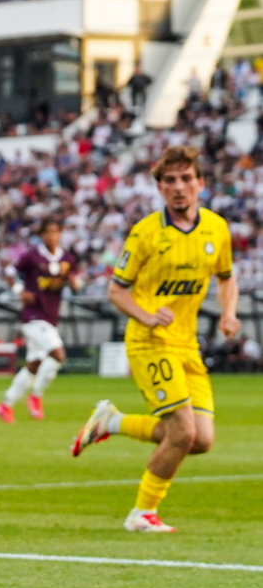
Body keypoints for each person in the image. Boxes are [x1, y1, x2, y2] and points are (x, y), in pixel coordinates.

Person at [70, 146, 240, 533]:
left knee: (201, 440)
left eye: (186, 179)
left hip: (187, 344)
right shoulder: (145, 233)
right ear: (160, 188)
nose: (179, 187)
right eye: (170, 181)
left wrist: (229, 313)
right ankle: (141, 514)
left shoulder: (216, 228)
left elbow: (227, 278)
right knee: (182, 432)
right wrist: (147, 316)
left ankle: (111, 422)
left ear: (200, 183)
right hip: (149, 342)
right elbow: (116, 290)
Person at [0, 218, 77, 423]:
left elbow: (74, 282)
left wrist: (76, 283)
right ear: (41, 235)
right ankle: (35, 396)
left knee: (34, 364)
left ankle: (5, 404)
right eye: (48, 232)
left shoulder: (67, 258)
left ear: (60, 234)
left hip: (50, 317)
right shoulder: (32, 257)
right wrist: (19, 290)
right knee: (58, 355)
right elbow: (9, 272)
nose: (52, 236)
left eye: (55, 232)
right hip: (32, 317)